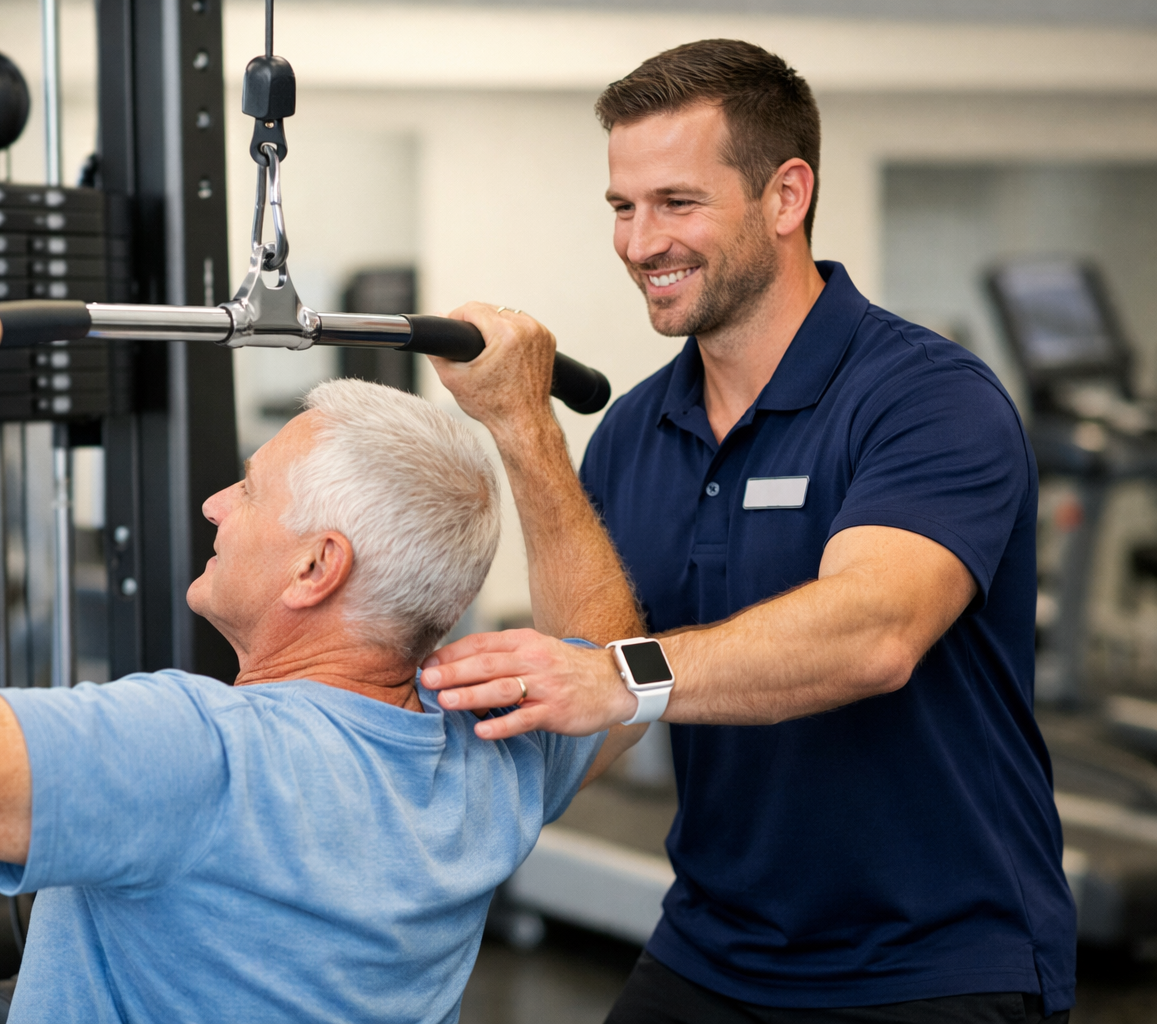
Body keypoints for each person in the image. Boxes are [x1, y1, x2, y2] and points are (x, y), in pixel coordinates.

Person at [420, 39, 1077, 1024]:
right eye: (622, 208)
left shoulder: (926, 398)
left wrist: (614, 678)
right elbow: (588, 678)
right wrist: (524, 429)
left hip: (937, 959)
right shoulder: (639, 429)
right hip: (713, 945)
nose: (641, 243)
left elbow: (874, 633)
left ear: (785, 197)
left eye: (677, 203)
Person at [0, 280, 630, 1023]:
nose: (215, 502)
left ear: (316, 567)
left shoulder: (199, 752)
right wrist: (524, 422)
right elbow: (613, 663)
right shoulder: (496, 753)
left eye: (251, 489)